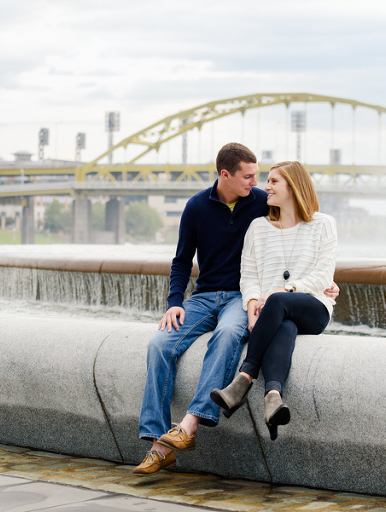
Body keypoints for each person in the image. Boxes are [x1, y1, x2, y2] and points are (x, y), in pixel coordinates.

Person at [133, 145, 338, 475]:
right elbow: (182, 261)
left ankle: (192, 423)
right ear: (225, 175)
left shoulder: (259, 201)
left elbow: (304, 222)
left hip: (239, 300)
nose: (257, 184)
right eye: (250, 176)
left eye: (262, 177)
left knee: (228, 335)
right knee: (159, 345)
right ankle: (159, 443)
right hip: (204, 297)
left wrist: (321, 284)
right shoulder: (197, 207)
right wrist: (174, 303)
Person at [211, 161, 337, 441]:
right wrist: (252, 304)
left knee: (280, 303)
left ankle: (243, 380)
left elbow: (323, 276)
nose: (265, 186)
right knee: (285, 327)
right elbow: (249, 275)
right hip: (272, 311)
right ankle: (273, 398)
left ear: (294, 187)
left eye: (273, 181)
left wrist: (285, 291)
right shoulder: (258, 227)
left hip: (313, 307)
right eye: (266, 181)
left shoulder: (323, 224)